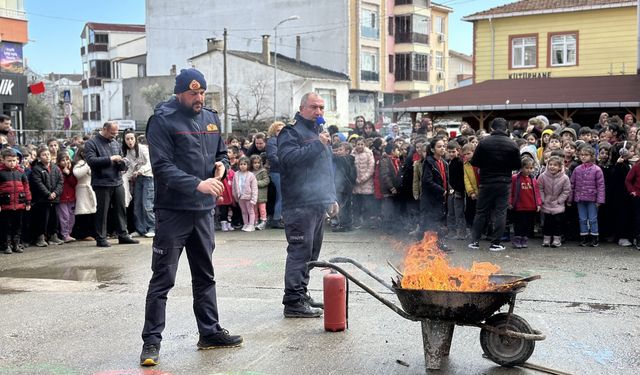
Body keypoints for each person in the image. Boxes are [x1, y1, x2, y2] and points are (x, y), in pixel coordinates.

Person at [140, 68, 242, 366]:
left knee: (205, 276)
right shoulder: (161, 121)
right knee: (163, 279)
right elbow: (162, 167)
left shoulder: (211, 118)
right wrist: (198, 183)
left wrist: (221, 168)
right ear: (179, 93)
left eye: (202, 93)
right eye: (192, 93)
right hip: (173, 212)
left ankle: (209, 333)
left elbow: (221, 153)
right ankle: (151, 343)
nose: (198, 99)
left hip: (203, 213)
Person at [277, 92, 338, 318]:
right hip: (298, 204)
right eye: (314, 107)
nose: (319, 112)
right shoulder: (290, 132)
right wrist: (317, 145)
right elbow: (287, 160)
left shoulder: (319, 133)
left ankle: (301, 293)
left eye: (321, 107)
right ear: (302, 108)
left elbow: (325, 168)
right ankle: (292, 301)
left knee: (311, 254)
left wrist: (331, 197)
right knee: (299, 253)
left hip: (317, 203)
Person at [468, 118, 522, 252]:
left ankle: (475, 241)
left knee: (480, 211)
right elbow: (517, 165)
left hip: (486, 181)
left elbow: (474, 162)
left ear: (492, 129)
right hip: (504, 182)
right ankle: (495, 243)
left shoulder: (483, 142)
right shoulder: (512, 144)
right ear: (505, 129)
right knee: (500, 212)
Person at [84, 121, 139, 248]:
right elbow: (91, 161)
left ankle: (123, 235)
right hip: (102, 182)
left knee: (120, 210)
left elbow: (119, 160)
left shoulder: (115, 143)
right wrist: (110, 159)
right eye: (112, 133)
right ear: (104, 129)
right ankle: (101, 238)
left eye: (116, 133)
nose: (114, 136)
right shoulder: (92, 143)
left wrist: (123, 163)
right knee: (103, 212)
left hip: (117, 181)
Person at [569, 146, 605, 247]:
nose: (583, 157)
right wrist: (570, 198)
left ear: (592, 156)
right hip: (580, 198)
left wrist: (600, 200)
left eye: (586, 155)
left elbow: (601, 186)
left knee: (593, 219)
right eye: (582, 155)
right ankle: (583, 237)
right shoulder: (577, 169)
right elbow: (572, 184)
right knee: (582, 219)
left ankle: (594, 237)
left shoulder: (597, 169)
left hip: (592, 199)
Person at [123, 129, 156, 238]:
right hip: (137, 180)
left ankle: (152, 227)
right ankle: (140, 229)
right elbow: (129, 169)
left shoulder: (143, 149)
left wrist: (140, 171)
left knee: (147, 204)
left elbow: (150, 163)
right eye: (127, 139)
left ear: (135, 139)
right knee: (137, 205)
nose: (130, 141)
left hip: (148, 178)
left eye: (132, 138)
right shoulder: (127, 152)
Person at [29, 146, 64, 247]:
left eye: (48, 154)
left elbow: (60, 182)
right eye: (44, 155)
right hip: (42, 200)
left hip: (55, 199)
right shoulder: (36, 169)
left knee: (54, 218)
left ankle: (53, 236)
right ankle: (40, 237)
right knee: (42, 218)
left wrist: (55, 193)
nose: (47, 156)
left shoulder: (55, 168)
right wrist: (48, 194)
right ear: (39, 157)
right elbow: (38, 183)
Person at [420, 137, 450, 249]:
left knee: (441, 220)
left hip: (442, 198)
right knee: (430, 221)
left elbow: (446, 180)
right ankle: (427, 244)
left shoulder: (444, 163)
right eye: (439, 146)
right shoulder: (428, 162)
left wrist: (449, 190)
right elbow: (427, 181)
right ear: (433, 149)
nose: (442, 148)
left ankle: (439, 243)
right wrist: (441, 190)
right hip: (431, 198)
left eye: (443, 146)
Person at [0, 148, 31, 254]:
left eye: (14, 160)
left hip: (19, 204)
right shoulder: (1, 173)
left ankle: (16, 244)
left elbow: (26, 188)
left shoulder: (21, 172)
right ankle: (6, 245)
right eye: (9, 161)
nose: (12, 163)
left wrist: (28, 201)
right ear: (2, 160)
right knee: (6, 226)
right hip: (5, 205)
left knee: (18, 225)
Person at [537, 156, 571, 248]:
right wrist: (543, 199)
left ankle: (557, 239)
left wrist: (560, 200)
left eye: (555, 165)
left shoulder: (564, 178)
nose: (552, 167)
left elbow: (566, 190)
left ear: (560, 167)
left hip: (558, 204)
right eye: (550, 164)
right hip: (546, 203)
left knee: (557, 222)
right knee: (547, 222)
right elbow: (539, 188)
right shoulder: (542, 176)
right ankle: (546, 238)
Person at [508, 156, 541, 249]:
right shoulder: (515, 178)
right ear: (521, 167)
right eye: (526, 168)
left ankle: (524, 239)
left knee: (528, 224)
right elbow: (510, 190)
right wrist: (509, 202)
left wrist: (538, 203)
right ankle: (517, 239)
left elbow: (537, 192)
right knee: (519, 224)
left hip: (531, 206)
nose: (529, 170)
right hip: (519, 206)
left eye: (531, 168)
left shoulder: (533, 179)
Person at [72, 145, 97, 241]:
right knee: (83, 213)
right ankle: (83, 233)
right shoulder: (80, 163)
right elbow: (77, 173)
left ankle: (92, 232)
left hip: (90, 188)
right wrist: (87, 165)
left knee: (91, 212)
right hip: (82, 189)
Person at [266, 121, 285, 228]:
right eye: (278, 130)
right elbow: (273, 157)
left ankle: (279, 218)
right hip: (277, 172)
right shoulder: (272, 141)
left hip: (283, 172)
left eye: (282, 130)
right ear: (273, 131)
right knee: (281, 196)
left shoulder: (283, 140)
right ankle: (276, 219)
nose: (281, 132)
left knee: (282, 196)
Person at [232, 156, 258, 232]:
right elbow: (234, 186)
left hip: (249, 197)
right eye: (241, 164)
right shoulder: (236, 174)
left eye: (244, 164)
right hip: (240, 197)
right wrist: (235, 196)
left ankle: (251, 225)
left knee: (250, 211)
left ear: (248, 165)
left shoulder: (251, 175)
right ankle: (246, 224)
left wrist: (254, 199)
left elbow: (254, 188)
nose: (242, 166)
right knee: (243, 211)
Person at [56, 153, 77, 243]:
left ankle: (69, 233)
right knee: (64, 216)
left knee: (71, 216)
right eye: (63, 160)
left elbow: (74, 183)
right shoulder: (57, 170)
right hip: (62, 197)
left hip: (71, 196)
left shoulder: (71, 170)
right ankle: (64, 234)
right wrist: (64, 173)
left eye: (67, 160)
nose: (65, 162)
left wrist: (69, 174)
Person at [250, 154, 269, 231]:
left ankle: (263, 221)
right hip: (253, 194)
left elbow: (266, 180)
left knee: (262, 209)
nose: (257, 164)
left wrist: (256, 183)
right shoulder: (250, 172)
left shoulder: (263, 171)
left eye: (258, 163)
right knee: (254, 209)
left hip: (261, 194)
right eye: (255, 163)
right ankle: (255, 221)